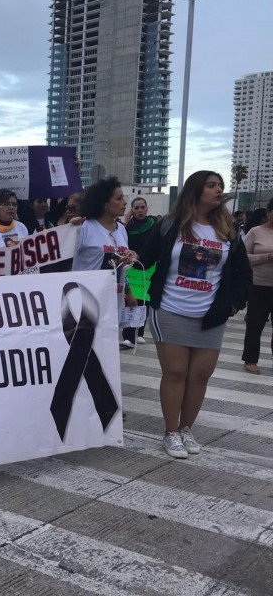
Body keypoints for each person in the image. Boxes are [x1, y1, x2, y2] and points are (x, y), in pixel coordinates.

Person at [140, 171, 251, 459]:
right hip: (170, 311)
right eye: (211, 185)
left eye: (220, 186)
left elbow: (243, 275)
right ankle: (170, 431)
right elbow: (144, 257)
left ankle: (186, 428)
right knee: (175, 373)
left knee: (200, 375)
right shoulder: (169, 225)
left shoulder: (228, 230)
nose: (218, 190)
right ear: (195, 190)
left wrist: (232, 306)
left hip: (211, 316)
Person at [73, 177, 138, 335]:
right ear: (104, 204)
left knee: (109, 354)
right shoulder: (84, 227)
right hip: (87, 303)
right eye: (119, 198)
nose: (124, 202)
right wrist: (67, 228)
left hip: (113, 303)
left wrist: (129, 291)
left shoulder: (121, 229)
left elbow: (121, 266)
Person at [241, 197, 273, 374]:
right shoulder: (256, 232)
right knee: (255, 324)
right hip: (259, 285)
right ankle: (250, 359)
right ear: (268, 213)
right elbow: (243, 257)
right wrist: (266, 257)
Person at [121, 196, 157, 348]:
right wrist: (125, 220)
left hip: (147, 268)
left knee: (143, 301)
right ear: (132, 210)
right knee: (131, 301)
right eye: (136, 208)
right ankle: (129, 335)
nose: (140, 210)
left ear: (147, 209)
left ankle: (139, 332)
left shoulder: (154, 225)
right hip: (131, 268)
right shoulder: (127, 227)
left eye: (142, 207)